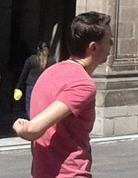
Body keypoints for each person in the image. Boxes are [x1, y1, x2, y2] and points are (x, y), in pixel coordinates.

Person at [13, 12, 113, 177]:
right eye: (109, 40)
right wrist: (21, 127)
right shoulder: (82, 84)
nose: (111, 45)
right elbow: (33, 129)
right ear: (93, 47)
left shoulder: (50, 72)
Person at [16, 42, 50, 117]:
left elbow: (23, 74)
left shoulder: (31, 59)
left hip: (31, 86)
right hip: (45, 87)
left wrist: (18, 87)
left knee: (30, 108)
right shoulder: (51, 61)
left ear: (38, 49)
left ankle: (32, 123)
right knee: (43, 107)